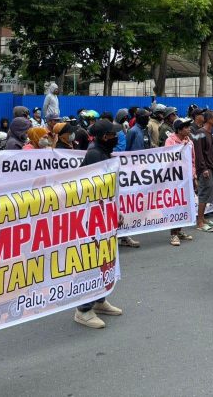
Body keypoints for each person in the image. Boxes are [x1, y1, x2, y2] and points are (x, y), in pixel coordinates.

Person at [74, 119, 123, 329]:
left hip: (103, 214)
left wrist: (115, 210)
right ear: (104, 137)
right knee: (91, 261)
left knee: (104, 258)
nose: (117, 137)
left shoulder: (102, 152)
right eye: (113, 134)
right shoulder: (95, 154)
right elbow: (94, 189)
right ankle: (83, 310)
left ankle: (100, 299)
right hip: (92, 217)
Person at [165, 118, 196, 247]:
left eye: (189, 127)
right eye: (186, 127)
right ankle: (173, 234)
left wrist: (193, 174)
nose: (189, 129)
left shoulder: (189, 141)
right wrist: (180, 149)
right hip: (175, 179)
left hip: (187, 178)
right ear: (179, 129)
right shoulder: (170, 141)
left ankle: (180, 230)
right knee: (175, 205)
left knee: (184, 205)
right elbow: (168, 158)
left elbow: (193, 159)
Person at [195, 110, 213, 232]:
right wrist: (203, 168)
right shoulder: (200, 132)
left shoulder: (210, 132)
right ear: (209, 119)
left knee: (208, 194)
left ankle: (203, 218)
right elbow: (198, 152)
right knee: (203, 195)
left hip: (210, 167)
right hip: (205, 169)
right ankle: (199, 222)